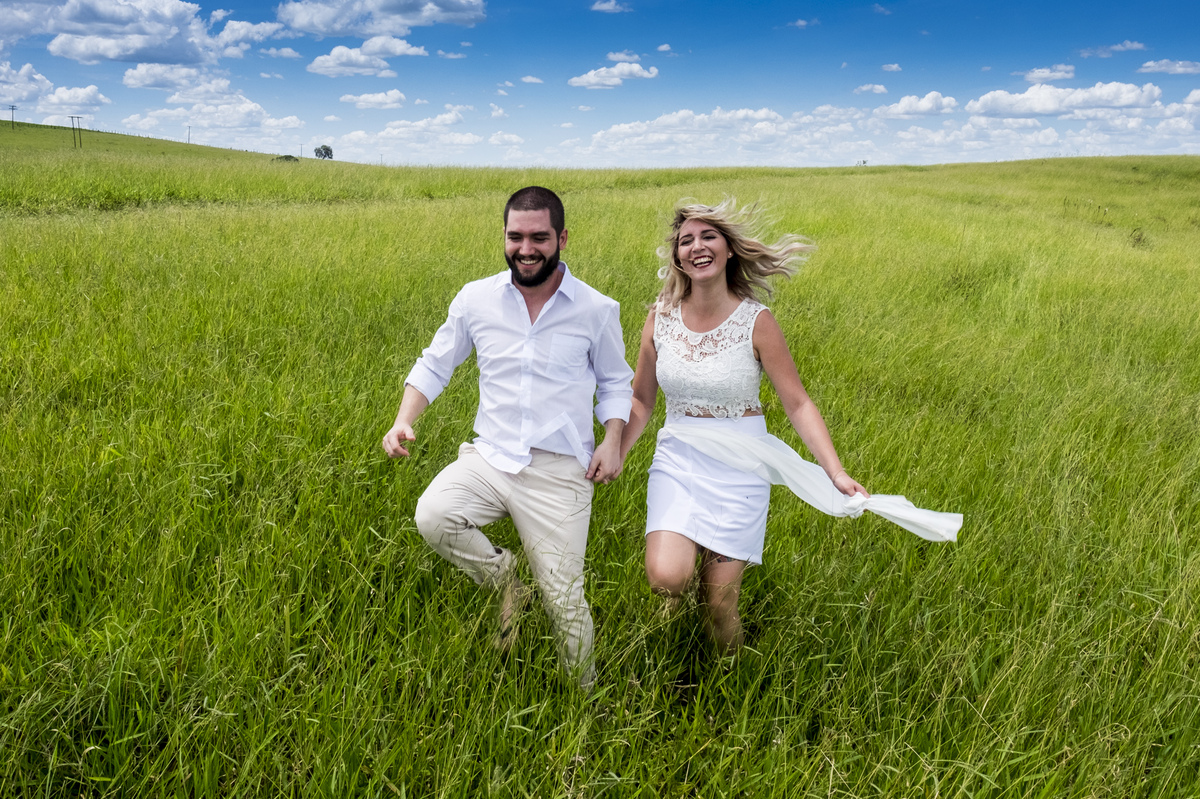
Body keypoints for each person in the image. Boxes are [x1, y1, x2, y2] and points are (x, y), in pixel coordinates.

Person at [619, 198, 959, 655]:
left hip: (742, 467)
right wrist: (616, 449)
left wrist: (835, 471)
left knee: (718, 603)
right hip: (679, 457)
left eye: (708, 236)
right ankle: (669, 638)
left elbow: (797, 403)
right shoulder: (659, 318)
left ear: (729, 249)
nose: (696, 247)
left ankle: (729, 679)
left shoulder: (755, 322)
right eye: (686, 240)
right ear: (677, 256)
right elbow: (641, 399)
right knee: (666, 578)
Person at [382, 186, 633, 688]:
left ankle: (587, 699)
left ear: (561, 237)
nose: (526, 248)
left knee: (564, 599)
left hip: (560, 470)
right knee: (433, 516)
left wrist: (612, 440)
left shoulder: (596, 309)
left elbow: (615, 383)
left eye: (539, 237)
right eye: (516, 237)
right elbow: (436, 362)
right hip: (490, 458)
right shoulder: (477, 298)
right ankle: (504, 579)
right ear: (504, 237)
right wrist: (404, 417)